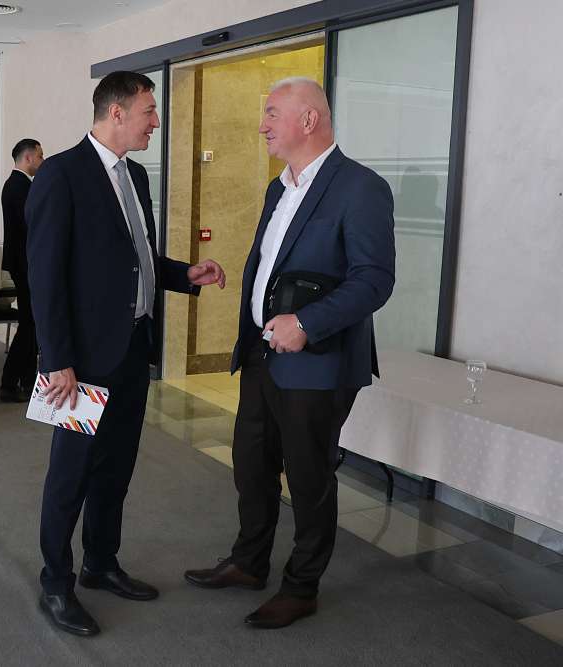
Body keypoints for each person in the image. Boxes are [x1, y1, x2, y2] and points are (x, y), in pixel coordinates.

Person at [182, 77, 395, 629]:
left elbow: (374, 280)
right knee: (252, 467)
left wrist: (306, 323)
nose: (262, 126)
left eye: (272, 113)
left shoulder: (361, 188)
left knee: (308, 478)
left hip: (318, 363)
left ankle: (301, 588)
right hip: (263, 355)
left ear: (308, 120)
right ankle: (249, 563)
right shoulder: (279, 189)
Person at [26, 71, 226, 637]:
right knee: (70, 474)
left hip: (133, 349)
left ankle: (100, 562)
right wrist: (56, 359)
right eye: (148, 111)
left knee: (117, 466)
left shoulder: (134, 175)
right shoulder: (61, 175)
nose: (155, 122)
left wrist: (183, 274)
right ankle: (55, 583)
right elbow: (45, 277)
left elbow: (136, 257)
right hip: (81, 361)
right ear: (116, 113)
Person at [0, 139, 44, 403]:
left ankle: (26, 381)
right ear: (28, 158)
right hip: (26, 265)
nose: (42, 160)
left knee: (31, 324)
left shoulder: (15, 185)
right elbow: (32, 227)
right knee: (29, 324)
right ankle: (10, 382)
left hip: (22, 264)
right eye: (40, 155)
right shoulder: (21, 187)